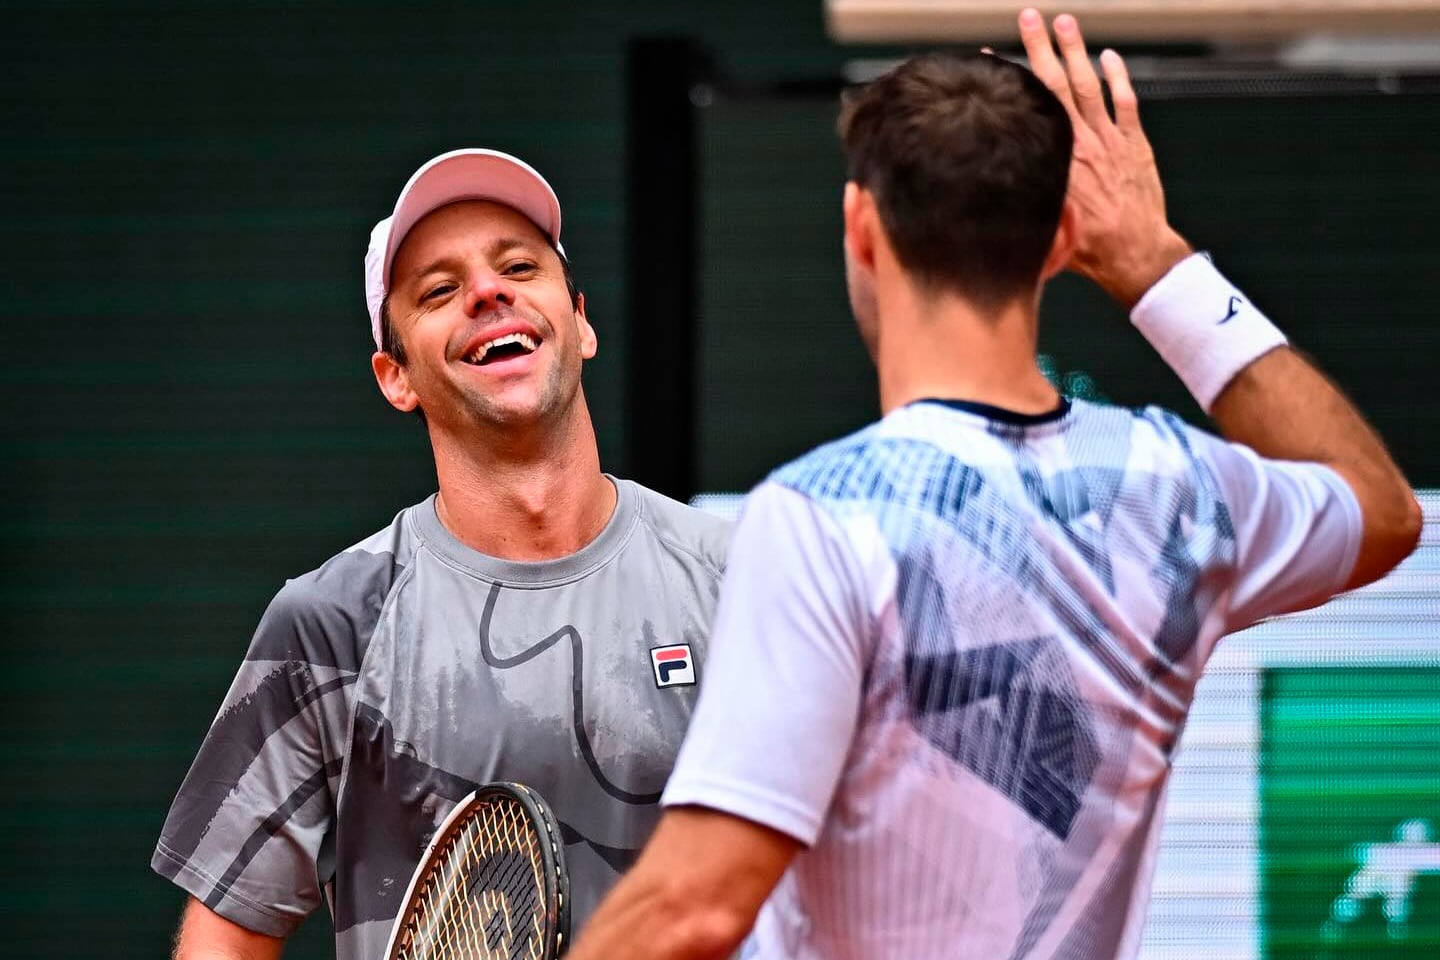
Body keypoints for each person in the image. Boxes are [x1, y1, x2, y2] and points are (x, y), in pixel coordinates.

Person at [565, 10, 1423, 960]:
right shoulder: (1176, 486)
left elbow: (694, 910)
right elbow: (1380, 509)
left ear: (860, 225)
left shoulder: (817, 519)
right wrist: (1152, 262)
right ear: (1062, 239)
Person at [151, 148, 730, 960]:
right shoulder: (331, 624)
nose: (490, 293)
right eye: (440, 291)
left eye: (519, 267)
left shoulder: (741, 576)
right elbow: (223, 943)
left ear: (582, 319)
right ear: (396, 377)